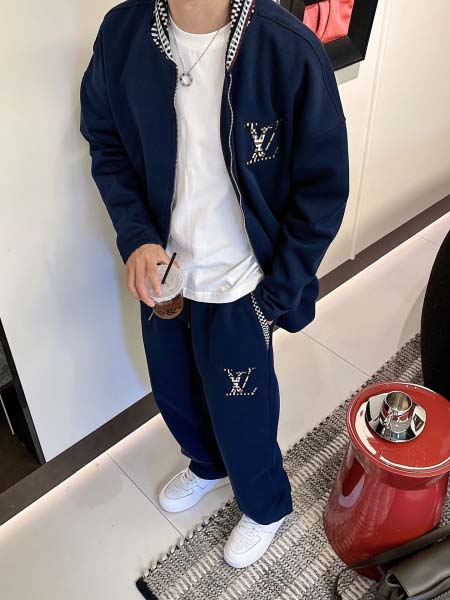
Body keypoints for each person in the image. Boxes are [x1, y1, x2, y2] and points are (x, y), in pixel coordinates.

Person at [79, 0, 349, 569]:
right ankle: (208, 466)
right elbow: (105, 140)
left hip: (244, 281)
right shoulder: (123, 32)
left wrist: (275, 297)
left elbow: (323, 189)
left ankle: (266, 505)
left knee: (242, 409)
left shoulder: (286, 48)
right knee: (175, 390)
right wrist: (137, 236)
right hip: (164, 273)